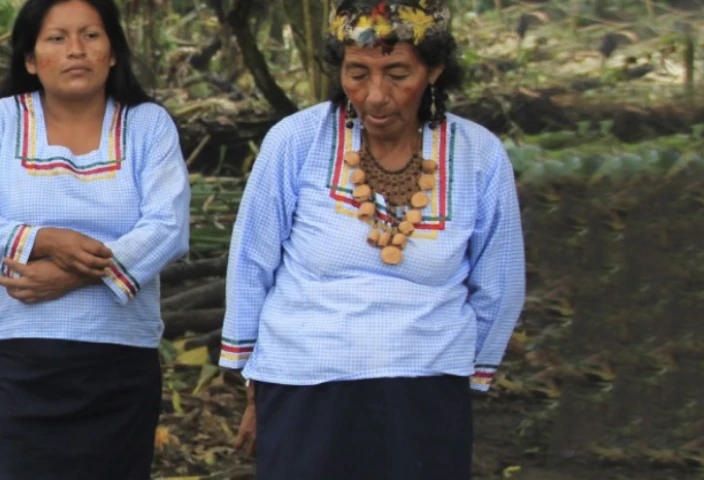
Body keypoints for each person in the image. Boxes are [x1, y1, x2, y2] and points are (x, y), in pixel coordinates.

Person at [219, 0, 526, 478]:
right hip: (304, 381)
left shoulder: (477, 154)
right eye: (357, 73)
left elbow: (500, 282)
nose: (376, 96)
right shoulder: (297, 141)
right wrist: (255, 378)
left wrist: (462, 372)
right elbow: (251, 260)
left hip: (425, 389)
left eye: (398, 73)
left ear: (435, 70)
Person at [0, 0, 190, 478]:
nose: (76, 50)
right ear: (31, 59)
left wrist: (69, 276)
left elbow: (168, 229)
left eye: (91, 36)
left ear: (113, 52)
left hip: (117, 362)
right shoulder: (4, 120)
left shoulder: (147, 125)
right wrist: (48, 240)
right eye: (57, 38)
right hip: (17, 362)